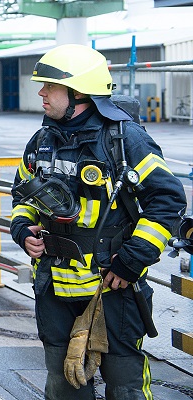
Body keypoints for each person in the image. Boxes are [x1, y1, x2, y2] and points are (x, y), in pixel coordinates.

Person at [10, 44, 187, 399]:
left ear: (78, 93)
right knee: (64, 386)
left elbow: (167, 200)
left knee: (125, 387)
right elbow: (21, 195)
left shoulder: (125, 140)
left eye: (49, 87)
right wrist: (21, 229)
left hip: (112, 288)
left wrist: (132, 260)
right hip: (55, 286)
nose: (41, 93)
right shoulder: (43, 141)